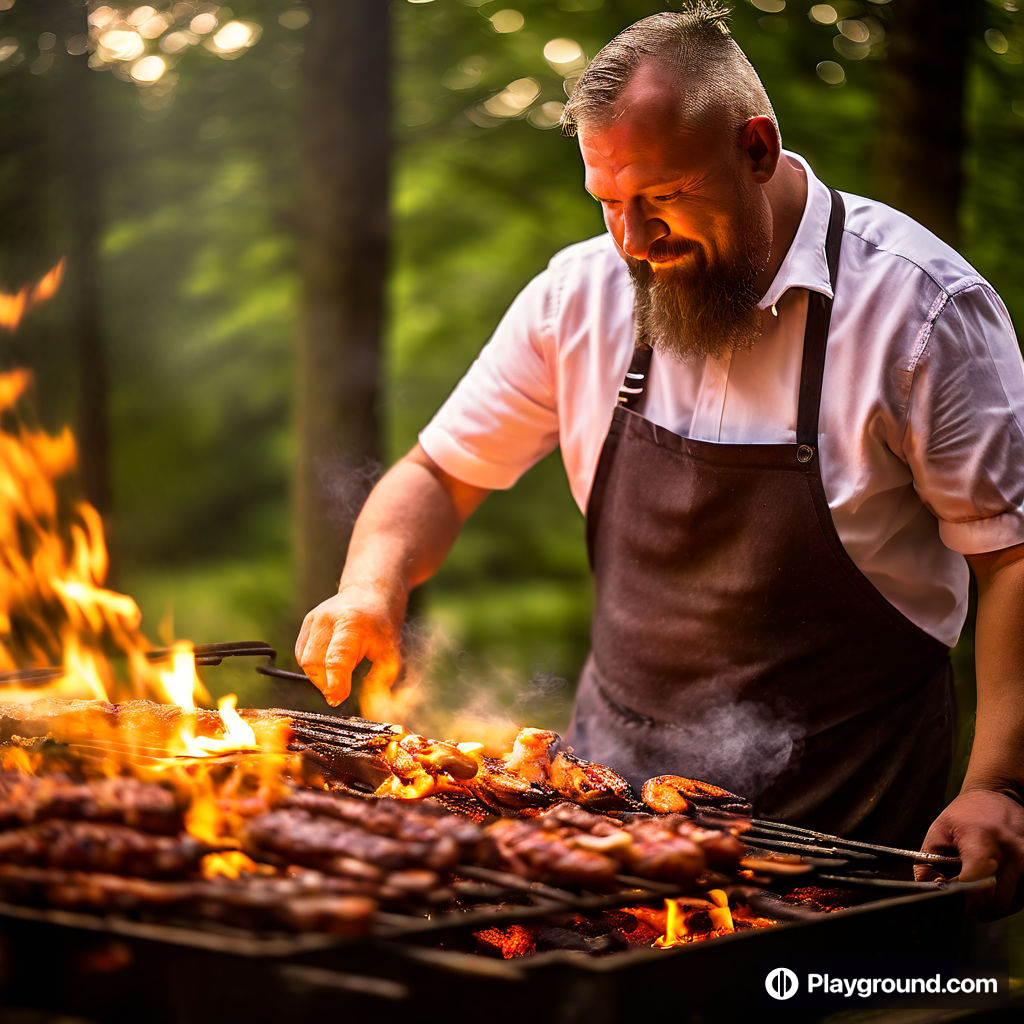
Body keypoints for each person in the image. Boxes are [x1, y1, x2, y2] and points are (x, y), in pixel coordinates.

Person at [295, 5, 1024, 916]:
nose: (632, 241)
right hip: (607, 833)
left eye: (663, 196)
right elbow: (438, 473)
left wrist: (998, 783)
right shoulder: (578, 297)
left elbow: (1011, 558)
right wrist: (372, 585)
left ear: (756, 148)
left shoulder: (919, 312)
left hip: (853, 840)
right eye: (608, 203)